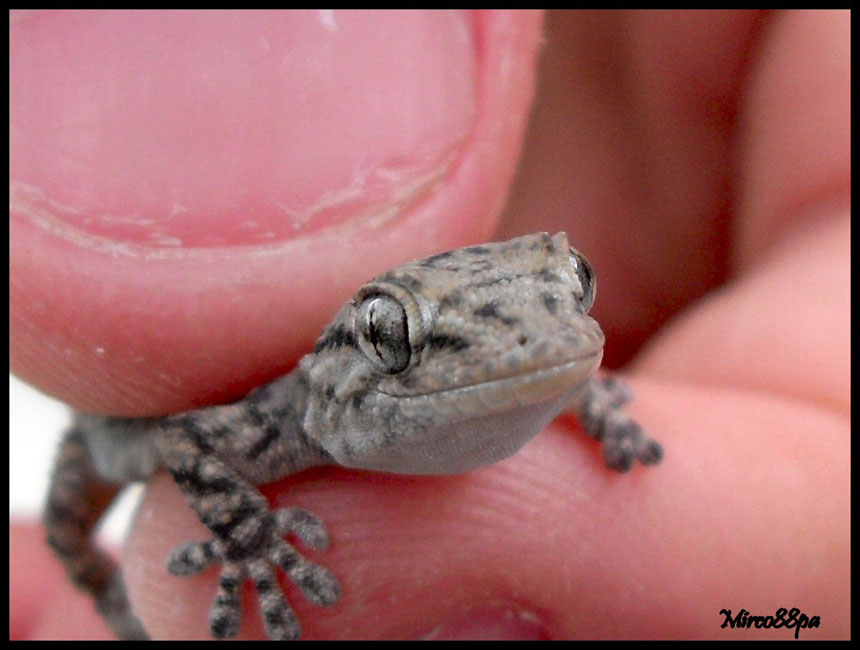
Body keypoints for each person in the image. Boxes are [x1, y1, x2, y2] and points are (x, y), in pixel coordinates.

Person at [10, 10, 848, 639]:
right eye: (398, 338)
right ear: (355, 358)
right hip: (102, 430)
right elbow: (187, 444)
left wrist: (579, 401)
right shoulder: (274, 421)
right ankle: (111, 611)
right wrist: (250, 539)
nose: (538, 342)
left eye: (572, 291)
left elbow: (541, 357)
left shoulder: (542, 356)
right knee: (65, 534)